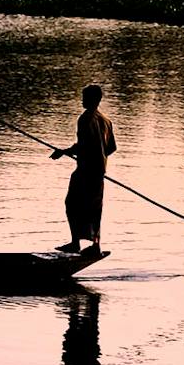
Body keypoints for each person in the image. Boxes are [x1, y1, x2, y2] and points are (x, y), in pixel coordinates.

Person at [50, 84, 117, 253]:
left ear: (95, 99)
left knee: (72, 204)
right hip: (99, 172)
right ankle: (96, 245)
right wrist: (99, 156)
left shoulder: (85, 118)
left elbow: (83, 145)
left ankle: (75, 243)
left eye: (85, 97)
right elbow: (111, 148)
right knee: (95, 208)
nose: (82, 100)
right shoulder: (106, 121)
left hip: (85, 171)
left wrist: (63, 152)